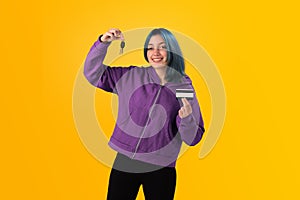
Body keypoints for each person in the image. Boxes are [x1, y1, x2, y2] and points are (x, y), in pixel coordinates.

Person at [84, 28, 205, 200]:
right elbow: (93, 73)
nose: (155, 52)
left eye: (162, 47)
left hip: (161, 168)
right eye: (150, 47)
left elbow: (193, 138)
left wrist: (186, 119)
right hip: (126, 161)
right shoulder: (132, 76)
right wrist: (103, 43)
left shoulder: (182, 87)